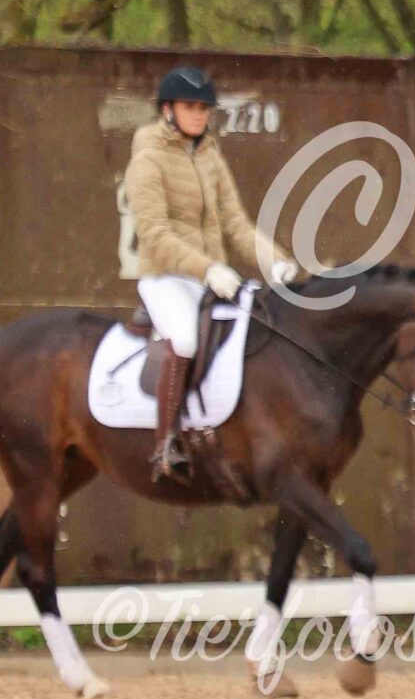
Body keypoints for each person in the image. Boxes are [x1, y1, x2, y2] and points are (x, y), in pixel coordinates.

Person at [124, 66, 298, 480]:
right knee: (185, 340)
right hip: (166, 277)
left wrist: (275, 261)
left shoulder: (210, 157)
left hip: (211, 278)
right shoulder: (147, 161)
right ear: (167, 110)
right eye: (190, 107)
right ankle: (165, 445)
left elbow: (236, 225)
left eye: (204, 108)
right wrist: (208, 269)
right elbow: (155, 235)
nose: (199, 115)